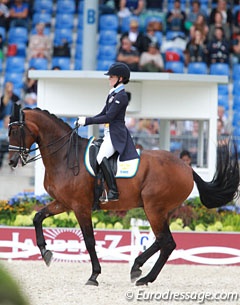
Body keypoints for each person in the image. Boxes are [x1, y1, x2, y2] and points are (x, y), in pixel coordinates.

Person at [77, 62, 139, 202]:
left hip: (116, 134)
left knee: (100, 157)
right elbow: (102, 113)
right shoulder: (112, 94)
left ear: (120, 78)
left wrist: (87, 121)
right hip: (107, 133)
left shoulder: (121, 96)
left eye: (112, 76)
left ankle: (113, 191)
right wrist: (84, 120)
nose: (109, 78)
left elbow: (109, 117)